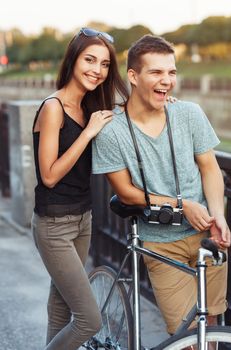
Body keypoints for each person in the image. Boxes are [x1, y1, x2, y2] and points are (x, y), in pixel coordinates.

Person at [92, 34, 231, 337]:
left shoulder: (188, 113)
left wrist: (218, 215)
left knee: (213, 329)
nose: (166, 80)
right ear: (133, 76)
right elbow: (126, 191)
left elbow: (210, 167)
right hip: (160, 244)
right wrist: (180, 205)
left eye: (171, 72)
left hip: (206, 232)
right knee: (188, 337)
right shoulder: (111, 131)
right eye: (156, 72)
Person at [31, 28, 128, 350]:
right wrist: (87, 134)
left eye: (103, 64)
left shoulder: (89, 107)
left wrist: (162, 100)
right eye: (89, 60)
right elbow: (48, 175)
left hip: (83, 219)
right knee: (89, 319)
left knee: (60, 310)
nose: (97, 70)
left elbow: (130, 113)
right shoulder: (53, 107)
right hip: (54, 225)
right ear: (73, 59)